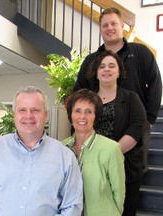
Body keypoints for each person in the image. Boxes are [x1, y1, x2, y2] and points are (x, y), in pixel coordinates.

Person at [0, 86, 83, 216]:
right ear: (14, 114)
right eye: (22, 110)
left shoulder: (65, 156)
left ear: (46, 115)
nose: (29, 116)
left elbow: (72, 205)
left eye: (35, 110)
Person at [74, 7, 162, 174]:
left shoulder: (141, 52)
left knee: (130, 180)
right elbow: (79, 92)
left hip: (134, 130)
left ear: (122, 26)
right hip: (98, 132)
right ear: (100, 29)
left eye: (114, 23)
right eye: (105, 25)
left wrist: (149, 118)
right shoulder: (91, 60)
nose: (110, 28)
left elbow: (155, 83)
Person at [88, 50, 146, 216]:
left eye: (111, 66)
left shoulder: (131, 98)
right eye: (102, 66)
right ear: (96, 72)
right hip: (93, 167)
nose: (106, 69)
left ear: (119, 71)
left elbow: (137, 128)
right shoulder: (88, 100)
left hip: (124, 166)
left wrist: (109, 155)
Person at [62, 89, 125, 216]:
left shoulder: (111, 148)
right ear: (71, 115)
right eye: (77, 111)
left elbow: (119, 193)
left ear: (95, 116)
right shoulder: (61, 148)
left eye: (89, 112)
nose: (82, 116)